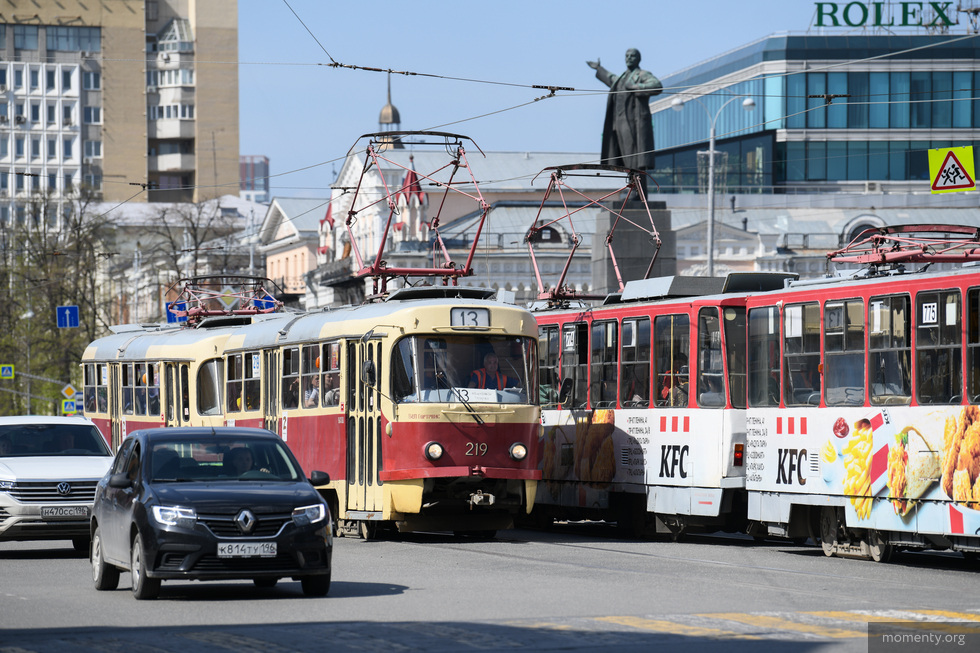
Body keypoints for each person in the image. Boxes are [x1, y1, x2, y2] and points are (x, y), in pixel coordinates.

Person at [587, 48, 663, 172]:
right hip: (618, 124)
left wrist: (635, 87)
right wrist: (599, 69)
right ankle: (632, 188)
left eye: (632, 56)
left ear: (638, 59)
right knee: (624, 159)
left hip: (633, 123)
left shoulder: (642, 74)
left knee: (634, 159)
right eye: (627, 56)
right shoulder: (623, 77)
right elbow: (611, 79)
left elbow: (657, 85)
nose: (629, 58)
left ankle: (637, 190)